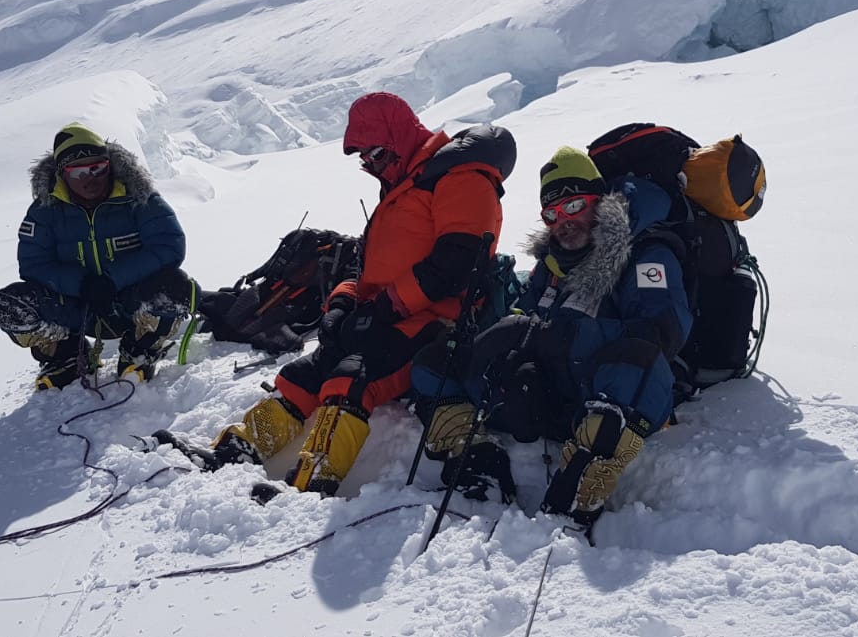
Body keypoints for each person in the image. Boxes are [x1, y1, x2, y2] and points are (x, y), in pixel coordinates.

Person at [199, 91, 513, 496]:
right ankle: (236, 449)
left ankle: (314, 481)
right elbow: (365, 264)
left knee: (352, 380)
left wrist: (386, 307)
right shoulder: (404, 184)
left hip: (433, 321)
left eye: (377, 153)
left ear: (400, 137)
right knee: (302, 375)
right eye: (364, 157)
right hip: (381, 314)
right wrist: (343, 302)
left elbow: (457, 264)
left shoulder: (460, 178)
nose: (370, 164)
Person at [410, 146, 692, 526]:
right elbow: (524, 315)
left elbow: (664, 330)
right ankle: (477, 460)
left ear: (600, 201)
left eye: (574, 206)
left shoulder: (644, 253)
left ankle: (579, 486)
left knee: (635, 360)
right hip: (541, 389)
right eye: (552, 214)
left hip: (599, 390)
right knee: (436, 362)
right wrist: (502, 337)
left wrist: (562, 335)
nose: (563, 221)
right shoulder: (551, 265)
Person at [0, 123, 193, 389]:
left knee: (175, 287)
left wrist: (112, 279)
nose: (89, 177)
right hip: (76, 307)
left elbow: (169, 246)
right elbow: (34, 265)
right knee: (9, 305)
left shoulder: (140, 198)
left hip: (130, 301)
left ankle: (140, 349)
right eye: (78, 171)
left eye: (97, 168)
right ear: (62, 174)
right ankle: (67, 354)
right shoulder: (45, 210)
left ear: (110, 164)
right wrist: (81, 284)